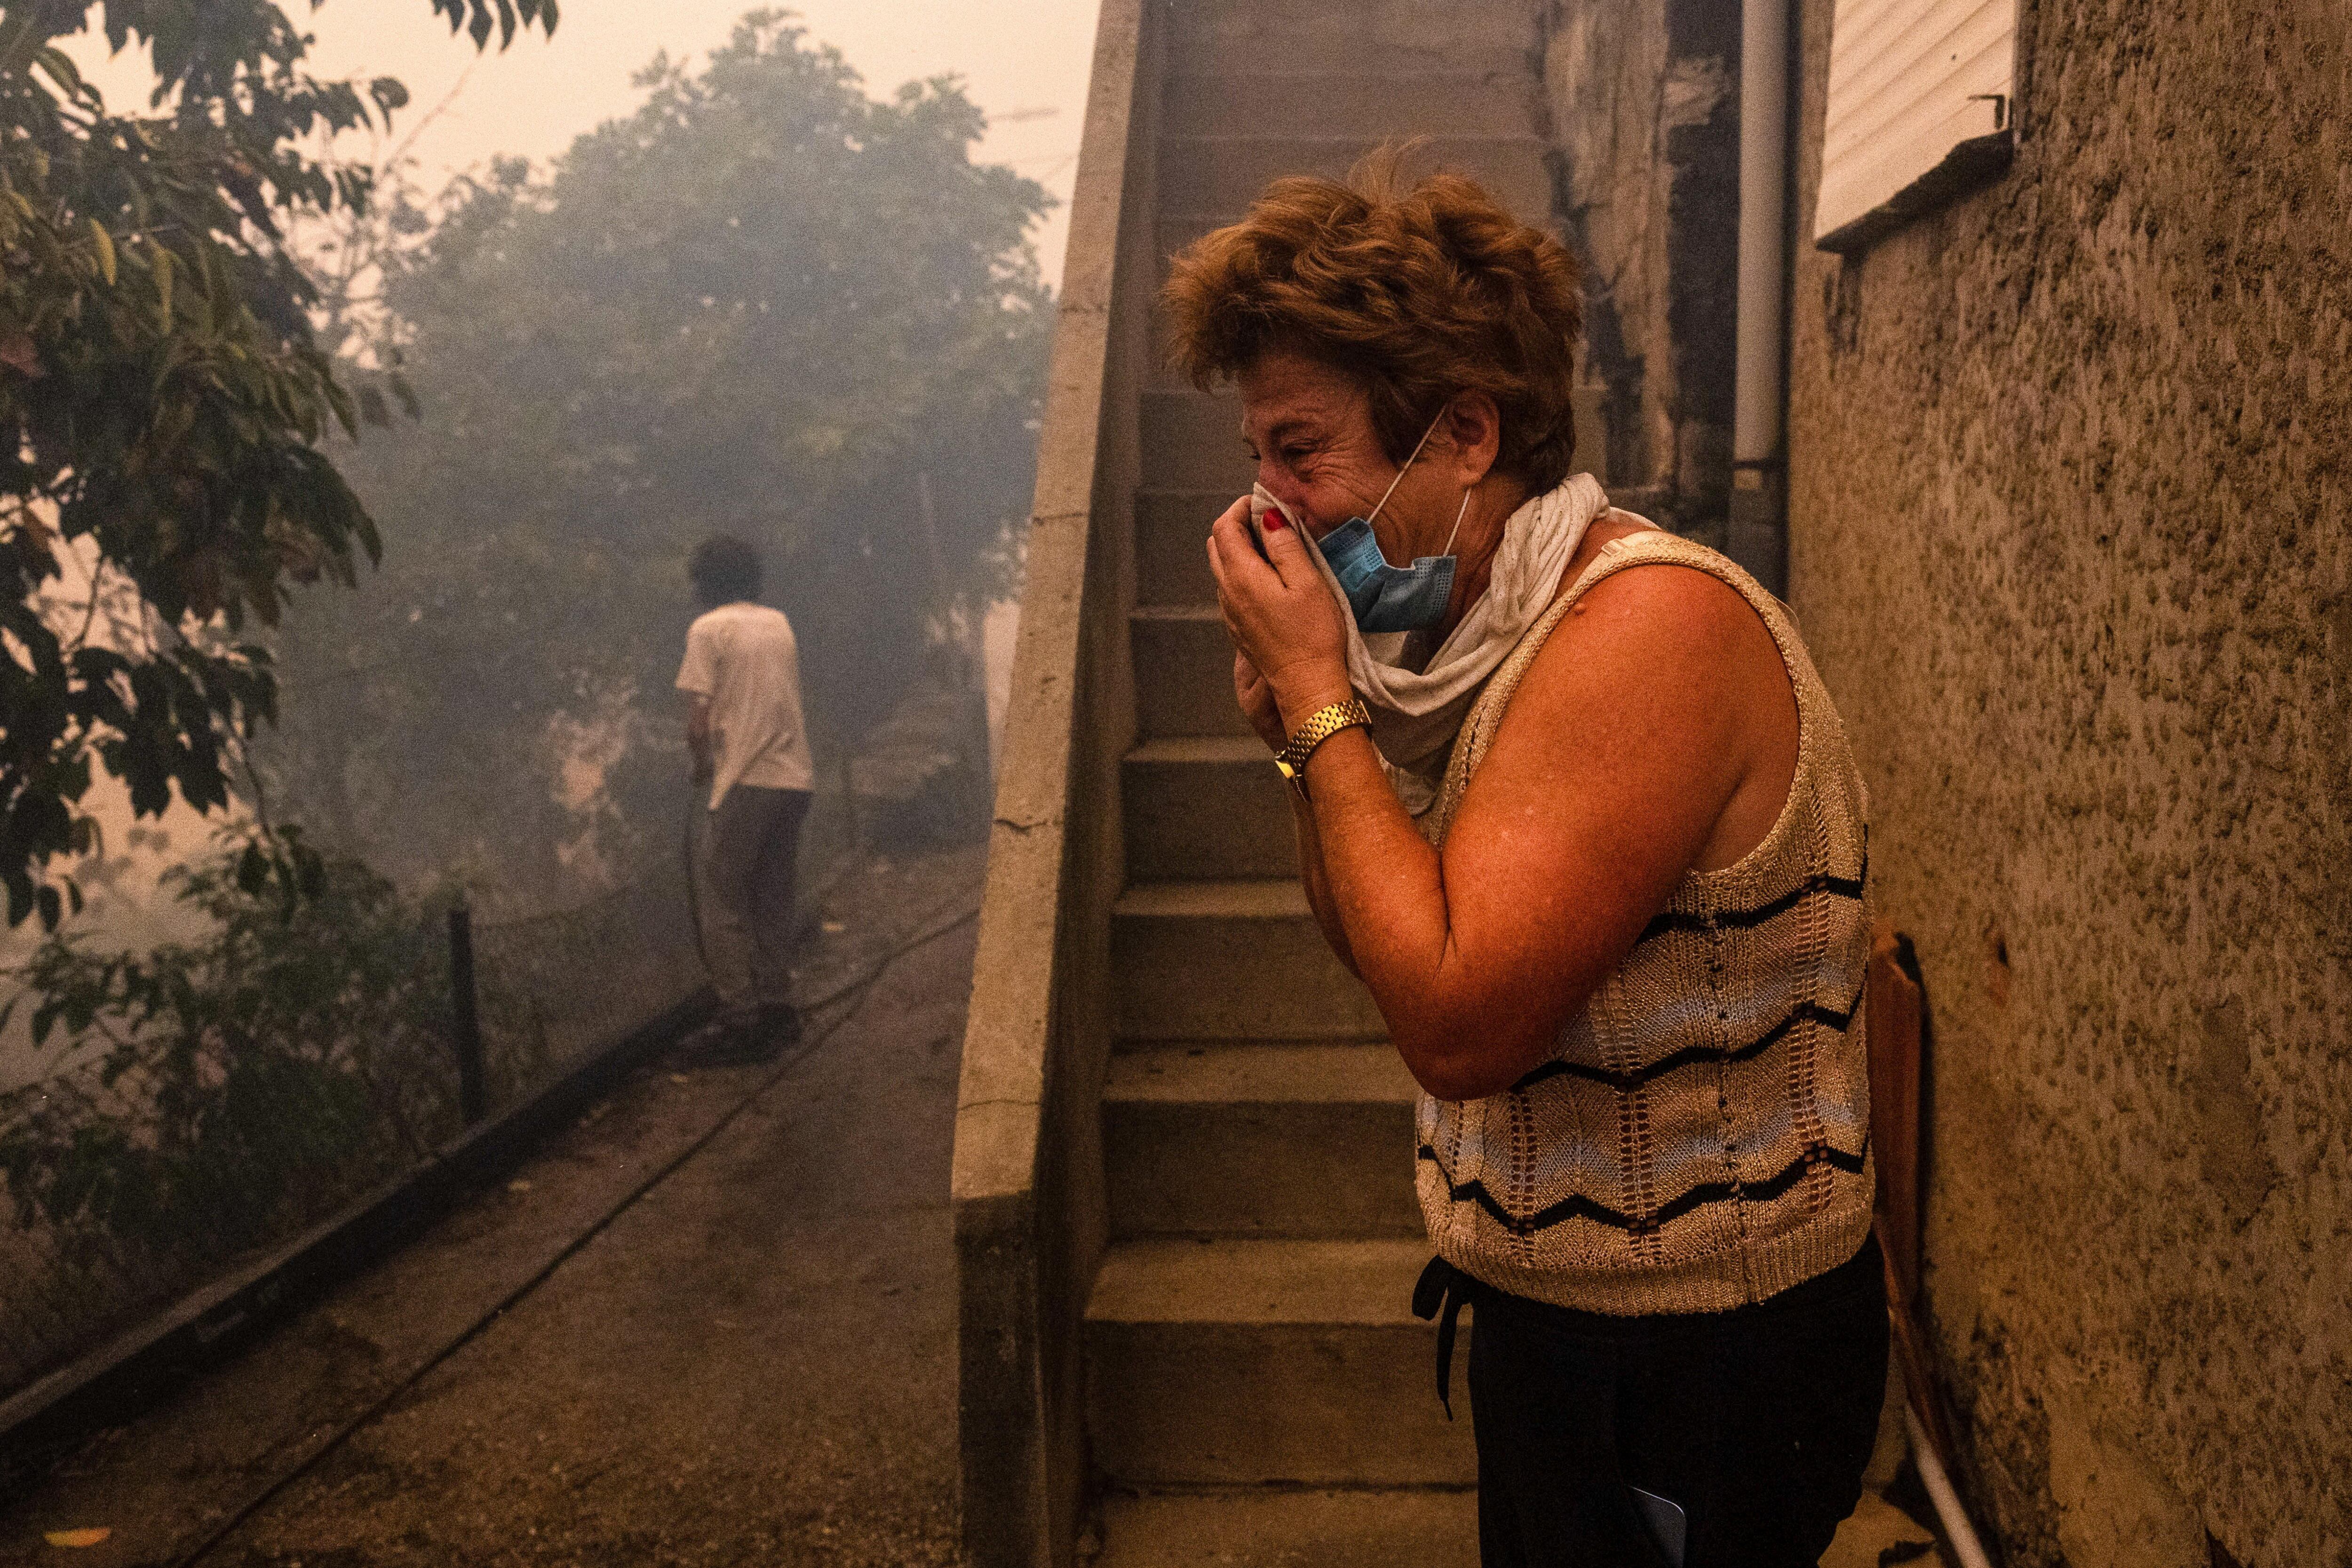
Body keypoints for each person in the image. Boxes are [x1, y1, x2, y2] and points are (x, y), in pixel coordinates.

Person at [1163, 158, 1887, 1568]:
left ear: (1466, 437)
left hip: (1698, 1358)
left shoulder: (1639, 632)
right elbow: (1381, 947)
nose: (1269, 509)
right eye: (1258, 459)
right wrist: (1309, 743)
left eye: (1301, 453)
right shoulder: (1480, 648)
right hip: (1567, 1321)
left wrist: (1323, 709)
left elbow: (1456, 1019)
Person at [676, 534, 815, 1056]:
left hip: (745, 783)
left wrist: (700, 768)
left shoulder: (707, 629)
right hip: (794, 779)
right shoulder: (778, 623)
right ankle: (778, 1007)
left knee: (722, 898)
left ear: (704, 581)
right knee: (774, 896)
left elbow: (698, 723)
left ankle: (739, 1018)